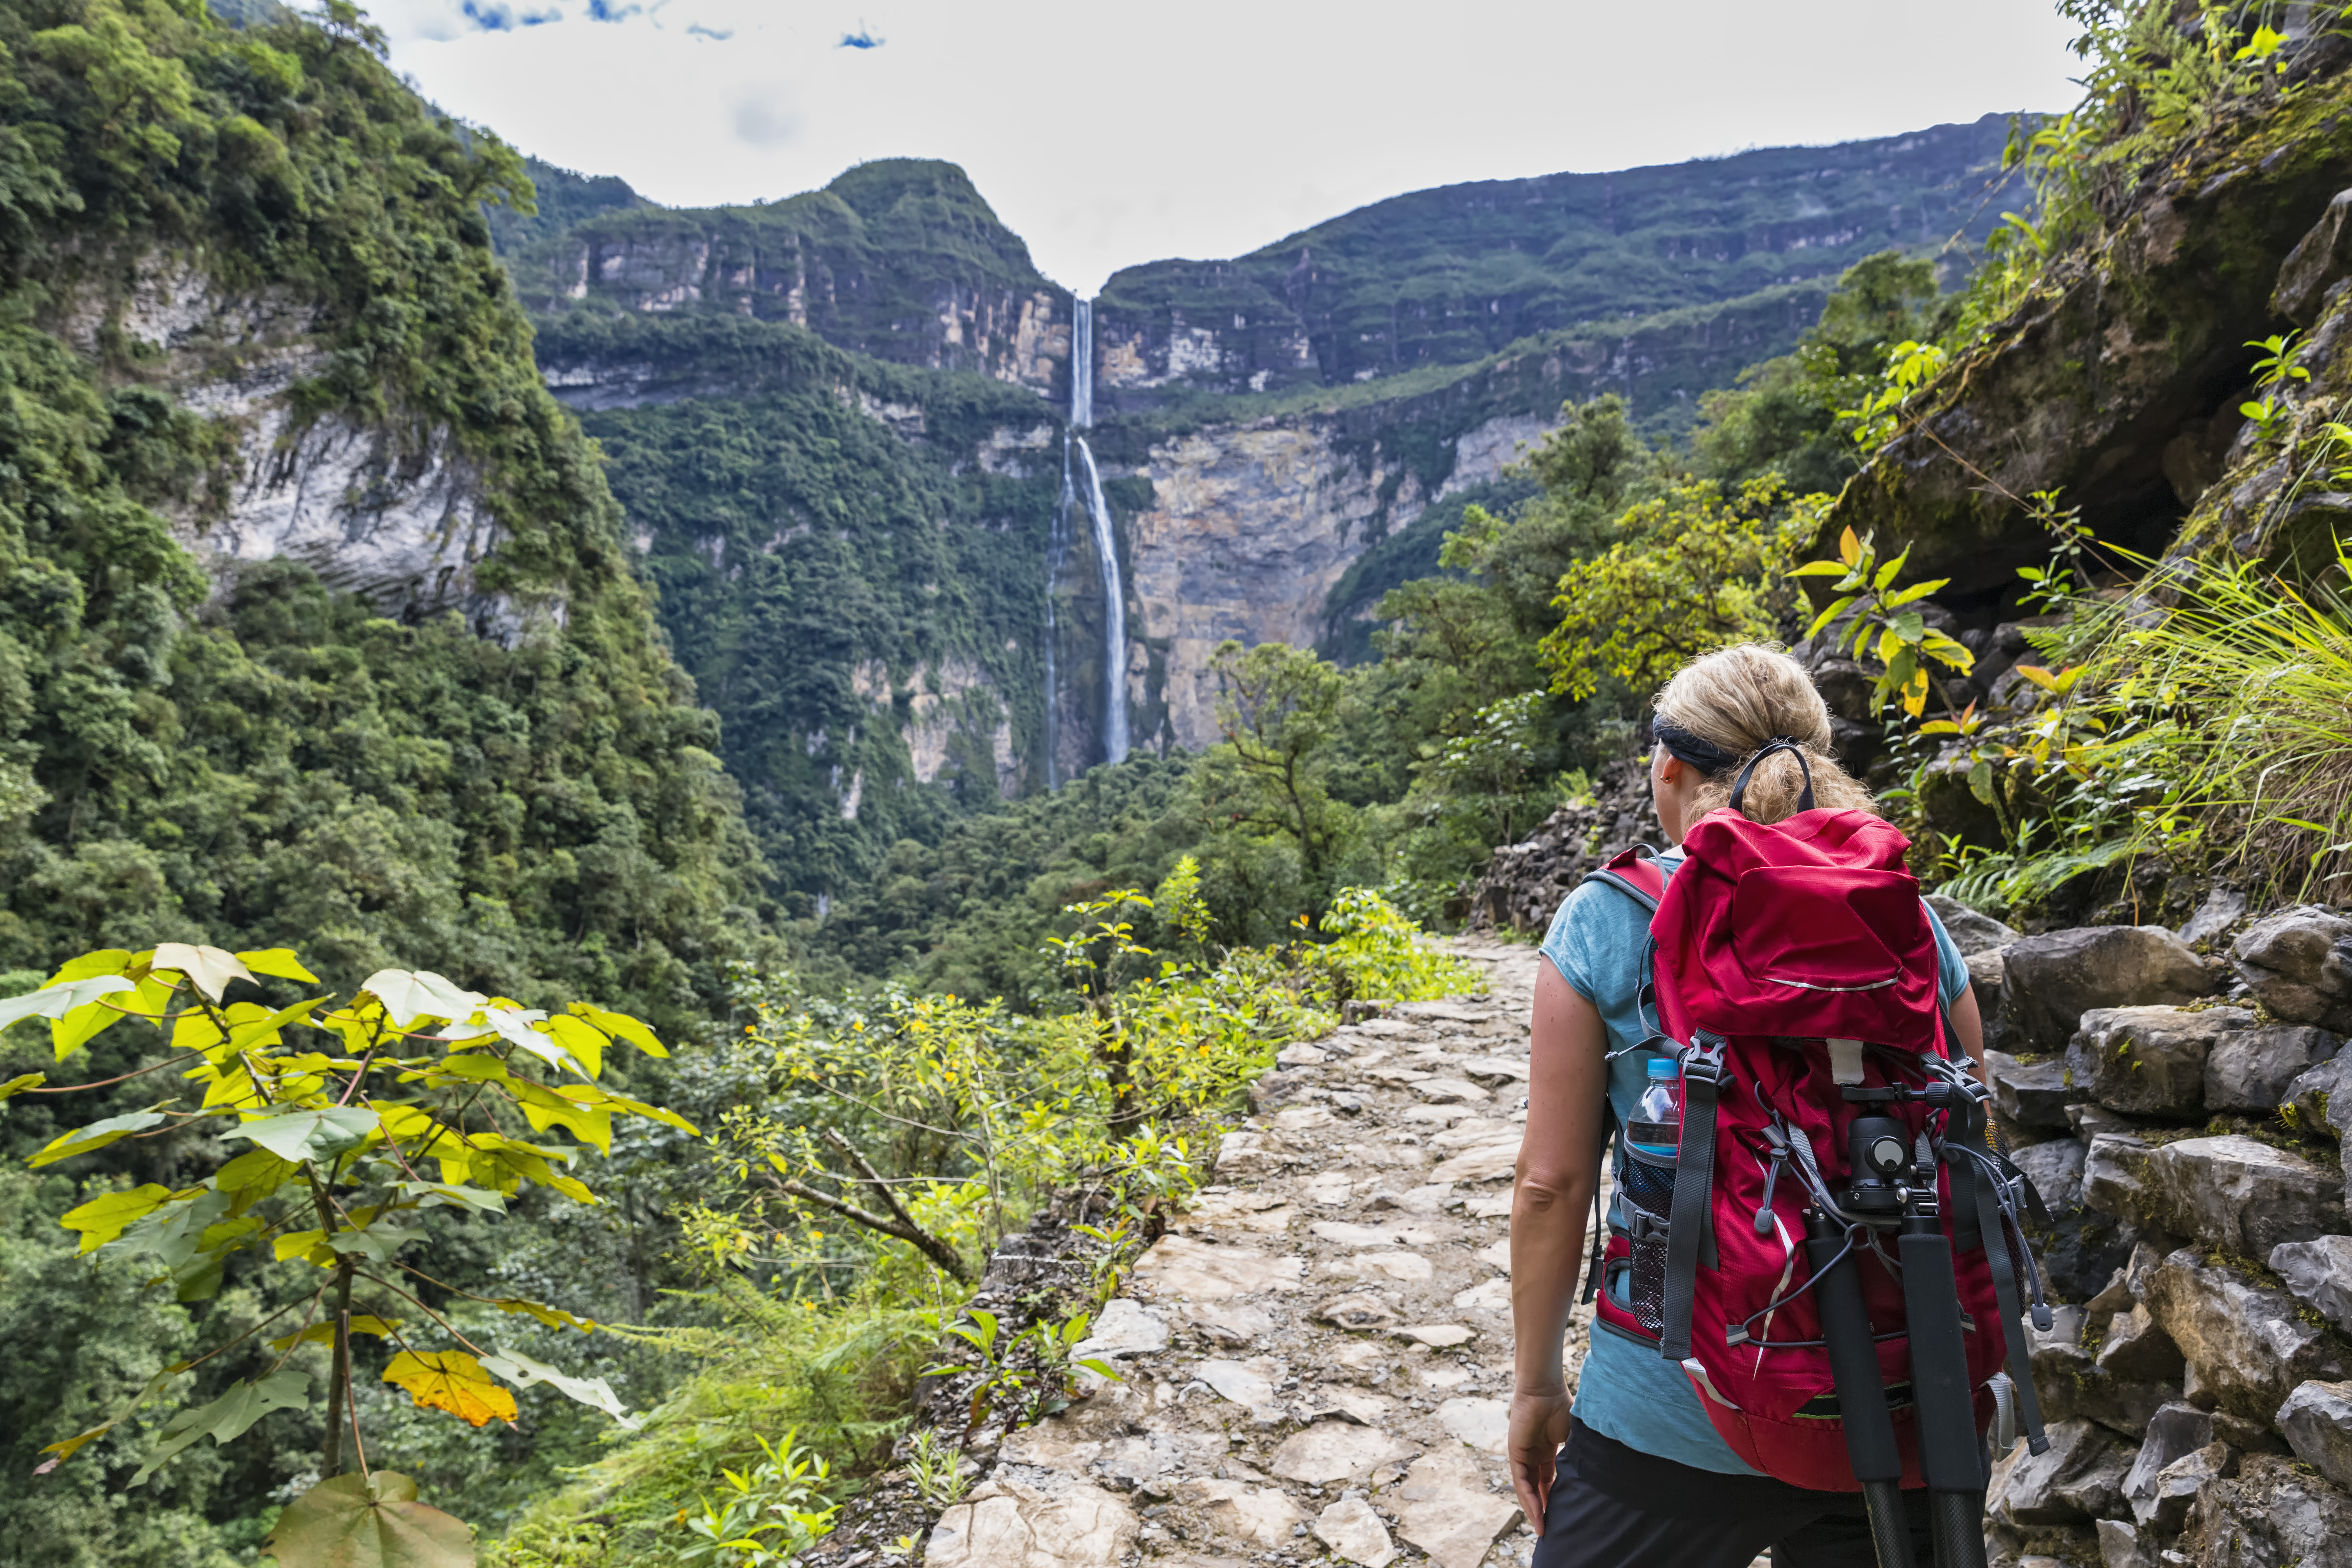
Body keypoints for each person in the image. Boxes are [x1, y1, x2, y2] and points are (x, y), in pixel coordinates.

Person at [1505, 643, 1985, 1568]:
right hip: (1903, 1398)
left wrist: (1535, 1391)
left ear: (1668, 767)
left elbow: (1551, 1185)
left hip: (1672, 1413)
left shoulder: (1609, 919)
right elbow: (1968, 1124)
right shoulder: (1902, 915)